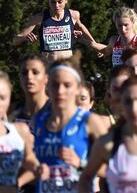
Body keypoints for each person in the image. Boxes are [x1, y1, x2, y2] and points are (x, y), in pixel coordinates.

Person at [33, 55, 107, 192]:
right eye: (55, 85)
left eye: (67, 85)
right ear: (47, 87)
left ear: (78, 89)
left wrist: (81, 164)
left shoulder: (90, 121)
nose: (60, 91)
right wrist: (35, 169)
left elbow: (116, 168)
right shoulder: (39, 120)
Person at [14, 0, 97, 62]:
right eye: (53, 2)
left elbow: (81, 27)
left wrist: (95, 45)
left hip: (66, 67)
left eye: (60, 2)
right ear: (48, 1)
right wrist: (25, 37)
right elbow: (16, 40)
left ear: (66, 0)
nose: (56, 6)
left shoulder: (73, 15)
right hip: (48, 68)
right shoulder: (39, 18)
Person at [0, 71, 50, 192]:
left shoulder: (19, 131)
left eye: (2, 98)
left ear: (9, 99)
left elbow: (29, 159)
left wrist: (39, 168)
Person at [93, 7, 137, 73]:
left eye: (126, 25)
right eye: (119, 25)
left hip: (136, 84)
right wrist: (86, 41)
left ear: (133, 22)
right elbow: (105, 51)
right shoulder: (114, 41)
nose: (123, 29)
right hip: (120, 84)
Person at [9, 54, 49, 130]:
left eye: (35, 72)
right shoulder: (10, 112)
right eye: (24, 73)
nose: (29, 77)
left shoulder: (58, 111)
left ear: (47, 77)